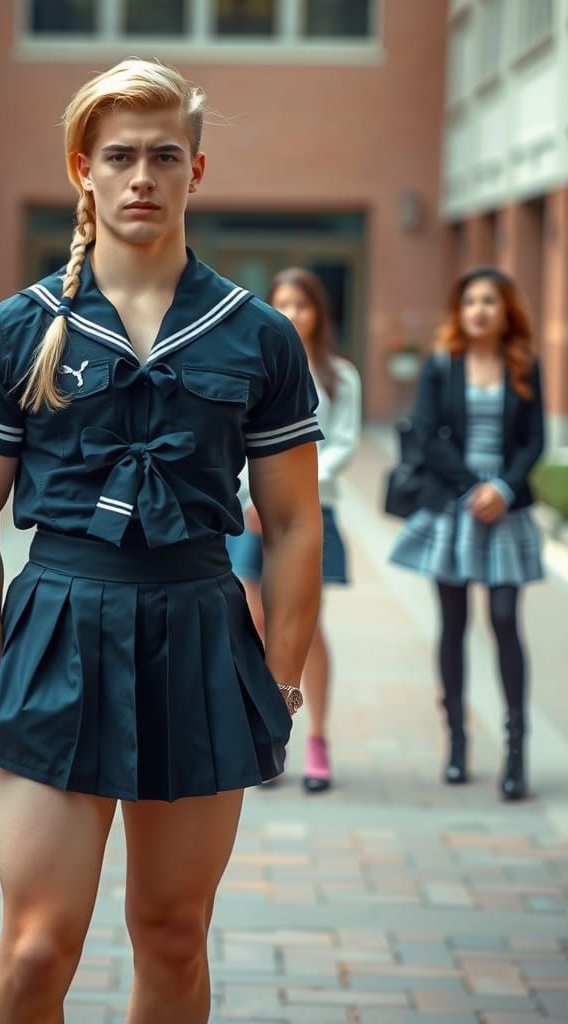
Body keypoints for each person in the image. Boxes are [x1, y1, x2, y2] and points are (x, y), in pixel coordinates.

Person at [0, 59, 323, 1022]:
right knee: (34, 951)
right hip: (59, 631)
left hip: (200, 634)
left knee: (171, 934)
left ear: (197, 170)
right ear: (83, 169)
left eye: (164, 154)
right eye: (120, 156)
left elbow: (292, 523)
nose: (141, 175)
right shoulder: (14, 331)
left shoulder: (259, 336)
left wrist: (278, 683)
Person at [390, 266, 544, 801]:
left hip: (504, 508)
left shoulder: (525, 365)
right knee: (452, 624)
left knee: (504, 618)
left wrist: (502, 487)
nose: (479, 309)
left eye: (490, 301)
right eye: (471, 300)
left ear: (506, 311)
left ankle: (517, 752)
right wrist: (471, 487)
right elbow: (428, 435)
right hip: (455, 506)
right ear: (460, 311)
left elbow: (534, 440)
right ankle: (456, 744)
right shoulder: (441, 365)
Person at [227, 268, 361, 793]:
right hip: (251, 513)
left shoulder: (340, 374)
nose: (291, 314)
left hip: (312, 514)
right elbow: (235, 440)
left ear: (317, 313)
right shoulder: (250, 365)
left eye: (301, 304)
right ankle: (266, 734)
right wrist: (251, 497)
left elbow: (344, 445)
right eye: (281, 303)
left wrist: (290, 492)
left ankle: (318, 740)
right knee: (256, 626)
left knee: (307, 628)